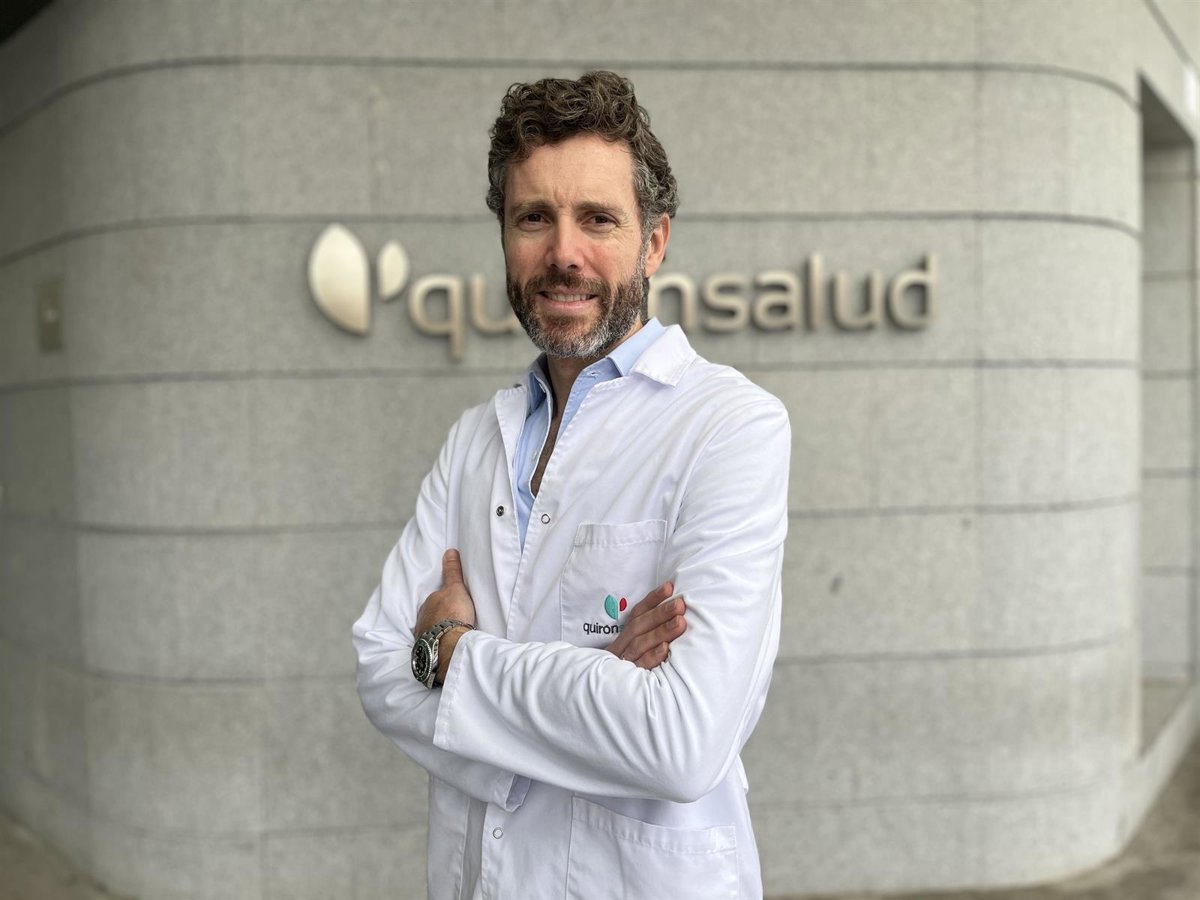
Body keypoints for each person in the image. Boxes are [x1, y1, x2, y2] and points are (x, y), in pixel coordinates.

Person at [353, 70, 790, 900]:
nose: (563, 253)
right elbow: (380, 669)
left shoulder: (730, 427)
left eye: (598, 218)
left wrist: (450, 654)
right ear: (504, 237)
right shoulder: (473, 440)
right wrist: (596, 684)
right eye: (533, 218)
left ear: (654, 242)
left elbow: (680, 743)